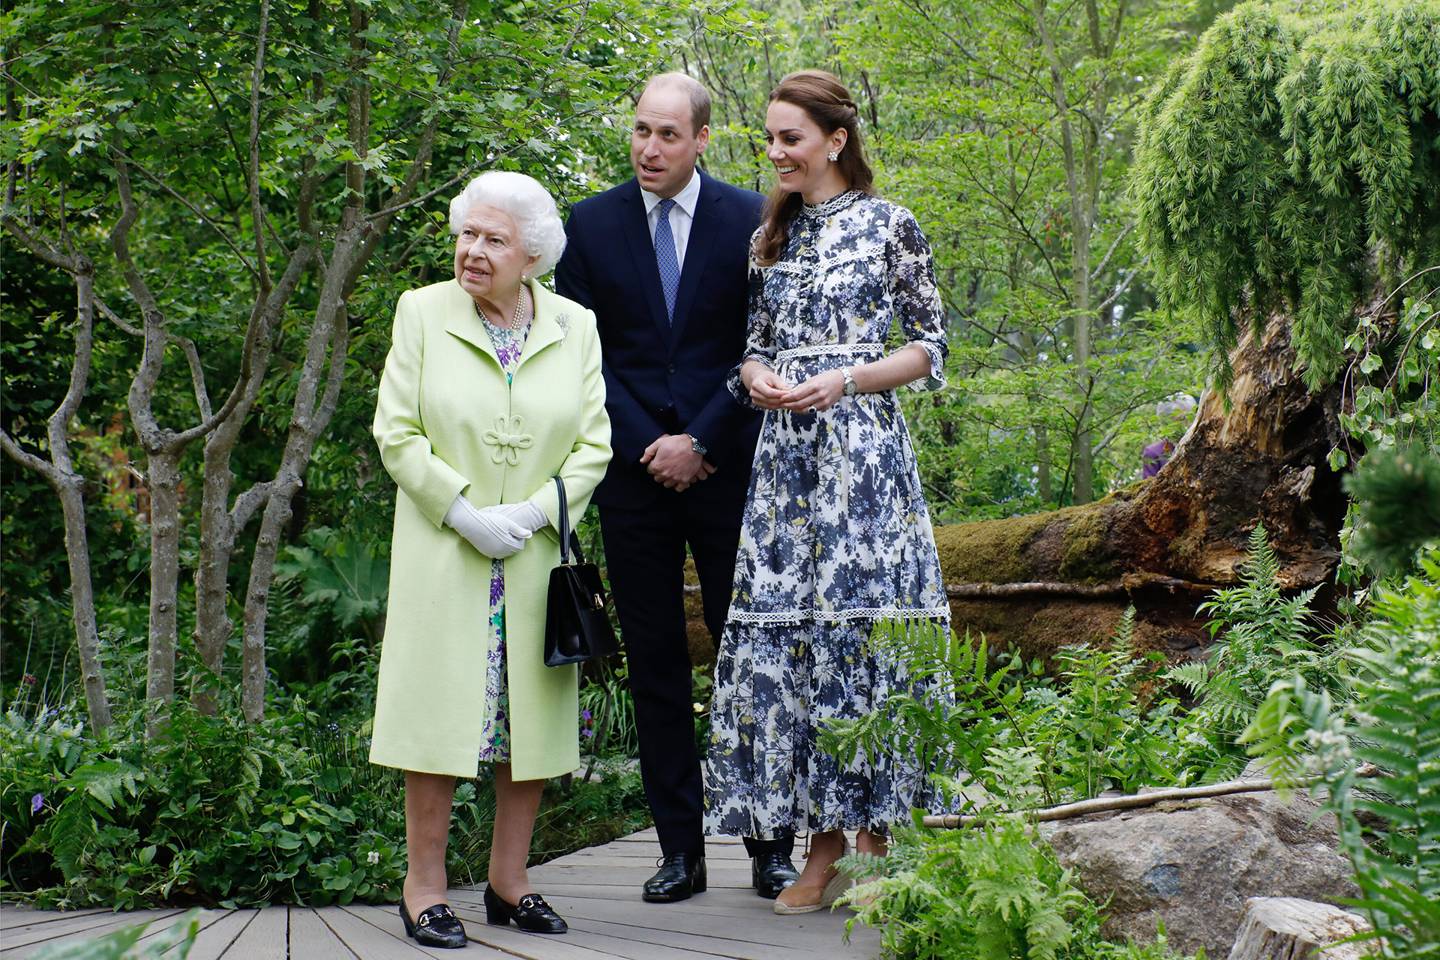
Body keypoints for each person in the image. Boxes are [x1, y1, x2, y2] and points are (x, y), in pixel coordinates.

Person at [703, 70, 952, 915]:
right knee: (797, 645)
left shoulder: (892, 227)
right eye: (769, 139)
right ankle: (823, 848)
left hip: (863, 461)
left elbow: (927, 349)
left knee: (863, 634)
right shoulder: (769, 237)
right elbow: (752, 349)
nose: (775, 153)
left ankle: (878, 841)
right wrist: (762, 376)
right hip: (786, 470)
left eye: (790, 139)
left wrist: (846, 380)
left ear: (835, 140)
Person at [555, 73, 800, 903]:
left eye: (667, 135)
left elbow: (763, 342)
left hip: (729, 469)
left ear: (701, 139)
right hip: (633, 482)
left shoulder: (752, 220)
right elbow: (583, 359)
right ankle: (680, 854)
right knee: (656, 665)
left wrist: (701, 437)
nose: (649, 148)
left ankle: (771, 848)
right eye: (640, 132)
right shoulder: (586, 227)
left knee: (753, 659)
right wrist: (651, 444)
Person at [370, 171, 611, 946]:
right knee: (438, 722)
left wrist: (538, 512)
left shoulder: (576, 325)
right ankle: (424, 887)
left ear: (531, 254)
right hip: (449, 552)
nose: (472, 251)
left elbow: (594, 443)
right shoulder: (422, 312)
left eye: (493, 239)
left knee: (526, 727)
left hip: (535, 558)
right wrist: (465, 513)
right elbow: (396, 431)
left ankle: (510, 884)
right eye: (466, 234)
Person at [1142, 393, 1197, 478]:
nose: (1185, 424)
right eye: (1180, 420)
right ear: (1166, 422)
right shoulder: (1153, 452)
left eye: (1187, 418)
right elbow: (1148, 487)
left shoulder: (1199, 446)